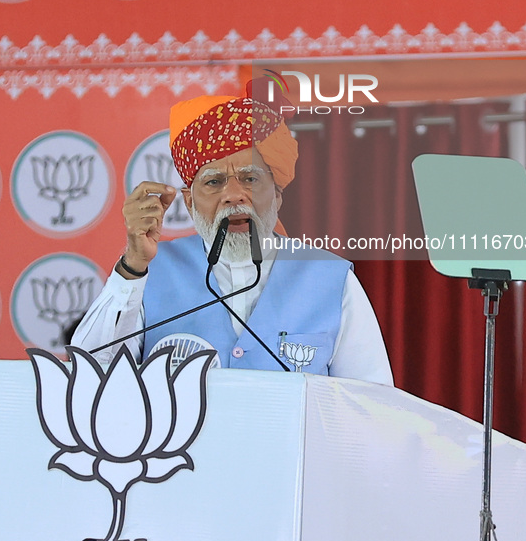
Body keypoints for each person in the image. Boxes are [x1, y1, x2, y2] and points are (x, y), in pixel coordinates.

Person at [72, 92, 393, 383]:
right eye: (214, 182)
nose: (234, 195)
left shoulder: (331, 279)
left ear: (278, 196)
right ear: (189, 201)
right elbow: (88, 373)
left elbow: (372, 404)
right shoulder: (149, 271)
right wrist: (133, 266)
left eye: (250, 178)